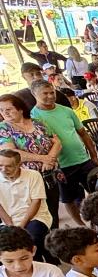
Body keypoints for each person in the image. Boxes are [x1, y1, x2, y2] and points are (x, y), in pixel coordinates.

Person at [29, 80, 98, 227]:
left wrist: (93, 155)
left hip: (83, 159)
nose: (50, 96)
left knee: (95, 192)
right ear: (34, 94)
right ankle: (81, 225)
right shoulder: (34, 117)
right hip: (61, 166)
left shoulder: (66, 110)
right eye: (45, 94)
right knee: (69, 199)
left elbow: (83, 133)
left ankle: (97, 222)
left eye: (52, 92)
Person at [0, 93, 62, 230]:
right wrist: (43, 158)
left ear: (20, 108)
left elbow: (57, 142)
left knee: (52, 212)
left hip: (49, 173)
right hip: (28, 179)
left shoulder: (37, 122)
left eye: (8, 109)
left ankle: (55, 243)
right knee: (36, 215)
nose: (5, 113)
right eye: (2, 110)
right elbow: (12, 154)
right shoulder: (3, 129)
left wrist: (50, 159)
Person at [0, 149, 56, 264]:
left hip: (36, 217)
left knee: (30, 240)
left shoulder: (33, 175)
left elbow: (36, 203)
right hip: (9, 221)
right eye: (0, 166)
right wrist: (11, 226)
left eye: (9, 166)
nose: (3, 170)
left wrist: (20, 226)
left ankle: (40, 267)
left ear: (19, 165)